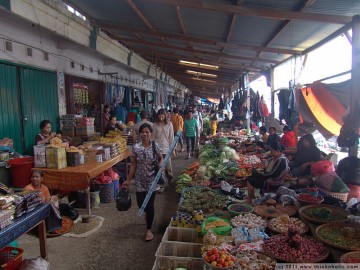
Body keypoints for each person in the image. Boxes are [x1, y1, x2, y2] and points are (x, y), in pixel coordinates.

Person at [123, 123, 163, 242]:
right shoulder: (136, 148)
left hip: (152, 181)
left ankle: (149, 230)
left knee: (150, 206)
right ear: (139, 133)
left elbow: (161, 158)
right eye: (143, 132)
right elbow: (134, 165)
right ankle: (148, 215)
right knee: (141, 205)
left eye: (147, 132)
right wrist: (128, 179)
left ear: (151, 133)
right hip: (140, 181)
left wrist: (161, 165)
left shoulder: (155, 146)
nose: (145, 134)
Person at [152, 109, 175, 186]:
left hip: (166, 148)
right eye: (160, 114)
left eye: (163, 114)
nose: (161, 116)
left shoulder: (169, 124)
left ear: (165, 116)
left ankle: (170, 178)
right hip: (157, 149)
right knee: (159, 166)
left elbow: (171, 138)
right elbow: (152, 138)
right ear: (157, 115)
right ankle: (161, 183)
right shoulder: (154, 125)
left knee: (168, 166)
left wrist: (173, 149)